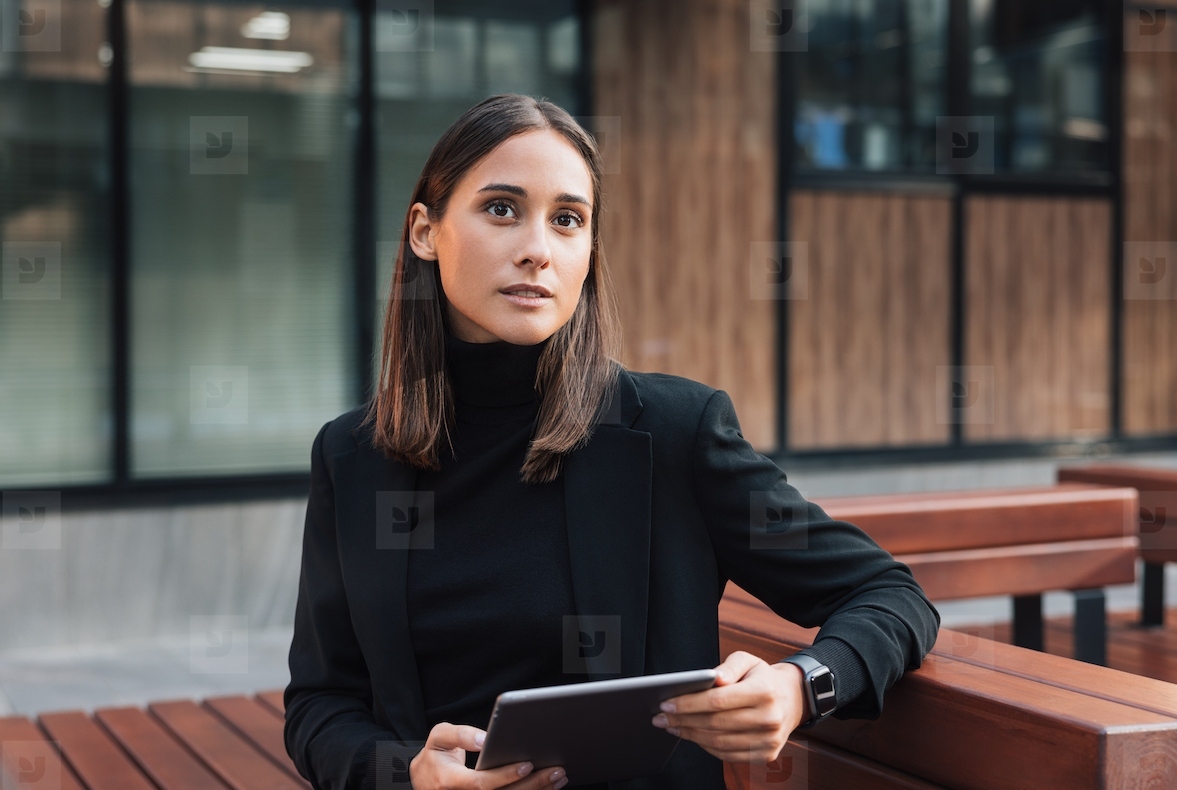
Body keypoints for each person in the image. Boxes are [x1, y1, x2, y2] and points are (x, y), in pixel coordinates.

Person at [283, 93, 940, 790]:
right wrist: (407, 776)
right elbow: (322, 705)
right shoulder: (352, 458)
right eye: (502, 209)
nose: (538, 249)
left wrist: (801, 685)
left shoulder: (674, 432)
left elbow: (890, 595)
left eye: (568, 220)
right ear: (424, 230)